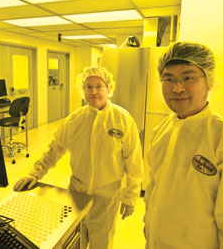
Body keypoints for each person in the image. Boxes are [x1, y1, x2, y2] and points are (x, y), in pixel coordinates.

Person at [143, 41, 223, 248]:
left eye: (188, 77)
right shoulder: (161, 132)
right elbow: (153, 195)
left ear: (209, 81)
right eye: (169, 79)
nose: (177, 88)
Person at [13, 66, 144, 249]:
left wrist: (130, 196)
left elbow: (134, 161)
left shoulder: (122, 119)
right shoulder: (74, 119)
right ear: (82, 90)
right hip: (77, 195)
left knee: (102, 244)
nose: (94, 91)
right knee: (76, 243)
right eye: (88, 87)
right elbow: (54, 149)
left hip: (106, 198)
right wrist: (35, 173)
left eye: (99, 86)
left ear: (109, 88)